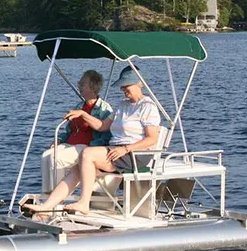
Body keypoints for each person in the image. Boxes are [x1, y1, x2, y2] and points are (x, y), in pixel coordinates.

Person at [26, 66, 161, 216]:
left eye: (126, 85)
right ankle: (48, 206)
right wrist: (83, 114)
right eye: (122, 85)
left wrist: (126, 149)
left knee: (87, 154)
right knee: (78, 168)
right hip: (116, 151)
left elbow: (152, 139)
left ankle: (84, 203)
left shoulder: (148, 106)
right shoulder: (123, 105)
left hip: (134, 155)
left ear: (139, 83)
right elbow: (102, 126)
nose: (123, 88)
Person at [41, 70, 113, 193]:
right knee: (46, 156)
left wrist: (92, 147)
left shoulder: (104, 109)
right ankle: (47, 194)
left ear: (93, 87)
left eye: (83, 83)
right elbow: (69, 130)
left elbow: (106, 135)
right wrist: (59, 139)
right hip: (71, 144)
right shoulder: (79, 106)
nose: (79, 85)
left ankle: (57, 200)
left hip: (87, 145)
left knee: (56, 158)